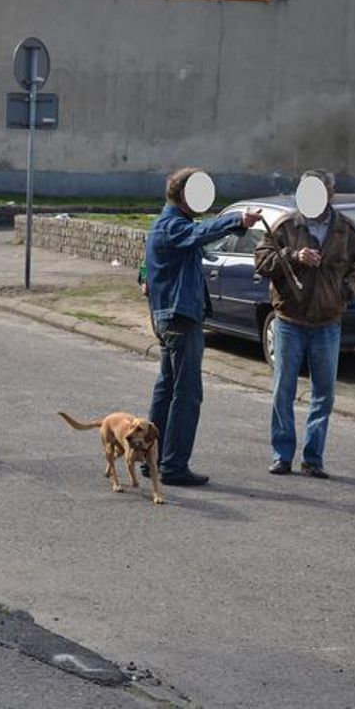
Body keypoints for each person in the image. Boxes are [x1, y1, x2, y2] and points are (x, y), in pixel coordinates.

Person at [145, 167, 261, 486]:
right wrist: (237, 220)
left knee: (167, 387)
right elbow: (199, 235)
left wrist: (236, 228)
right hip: (180, 319)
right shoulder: (172, 226)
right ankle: (173, 466)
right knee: (187, 393)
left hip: (168, 316)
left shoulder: (165, 224)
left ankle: (150, 456)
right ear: (184, 195)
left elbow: (201, 238)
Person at [253, 169, 355, 478]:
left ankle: (313, 458)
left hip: (328, 323)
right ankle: (282, 455)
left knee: (324, 394)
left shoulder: (347, 231)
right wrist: (293, 255)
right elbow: (262, 262)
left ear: (331, 194)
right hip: (289, 321)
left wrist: (344, 292)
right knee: (283, 389)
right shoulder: (285, 225)